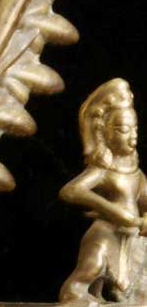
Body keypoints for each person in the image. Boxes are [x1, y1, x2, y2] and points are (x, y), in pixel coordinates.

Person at [60, 79, 147, 304]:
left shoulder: (135, 172)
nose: (133, 136)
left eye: (135, 129)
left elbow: (144, 200)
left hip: (132, 238)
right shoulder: (103, 171)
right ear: (104, 133)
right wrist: (112, 211)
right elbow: (70, 191)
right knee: (94, 265)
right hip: (106, 234)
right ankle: (77, 294)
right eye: (124, 130)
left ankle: (119, 294)